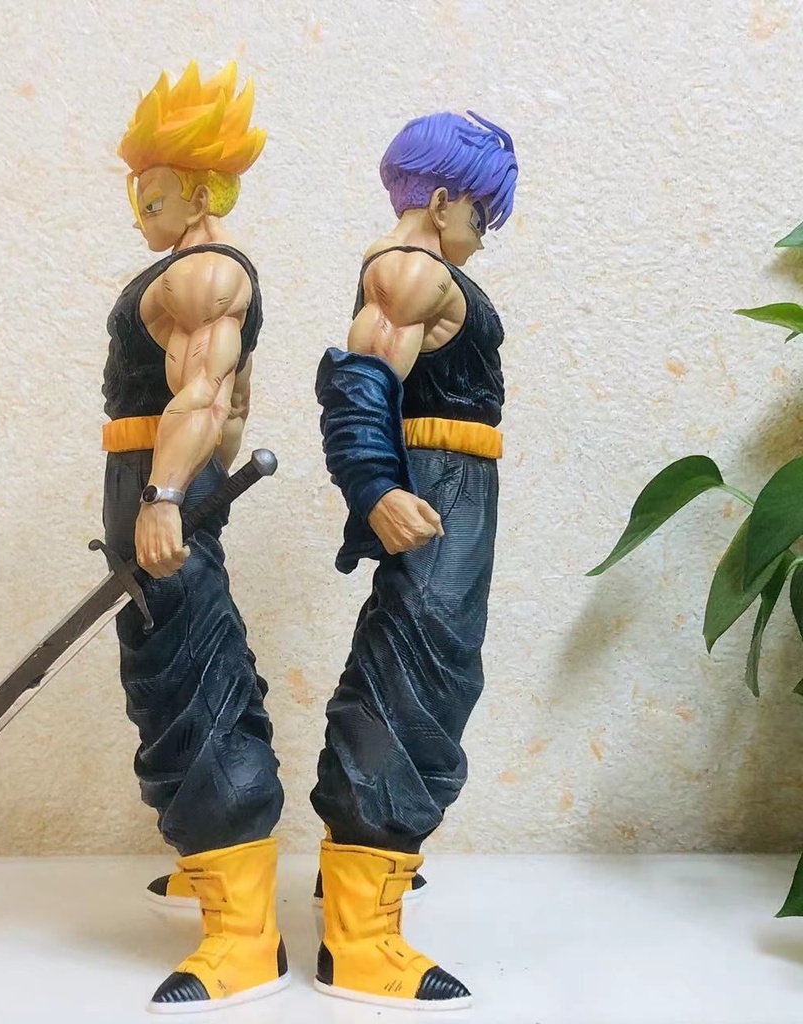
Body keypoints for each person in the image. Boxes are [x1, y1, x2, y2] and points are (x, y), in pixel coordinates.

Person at [311, 110, 519, 1010]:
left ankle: (357, 872)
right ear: (441, 200)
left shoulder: (421, 274)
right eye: (481, 214)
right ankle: (361, 937)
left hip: (454, 479)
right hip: (438, 485)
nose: (483, 234)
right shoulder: (410, 271)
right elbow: (360, 383)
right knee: (419, 677)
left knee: (424, 664)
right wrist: (375, 487)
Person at [102, 60, 286, 1011]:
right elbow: (230, 411)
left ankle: (245, 933)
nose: (141, 210)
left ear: (202, 193)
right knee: (170, 660)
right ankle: (212, 865)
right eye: (137, 193)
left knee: (190, 673)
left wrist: (168, 493)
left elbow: (210, 396)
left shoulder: (206, 273)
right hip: (153, 476)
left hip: (160, 479)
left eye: (155, 193)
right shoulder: (186, 273)